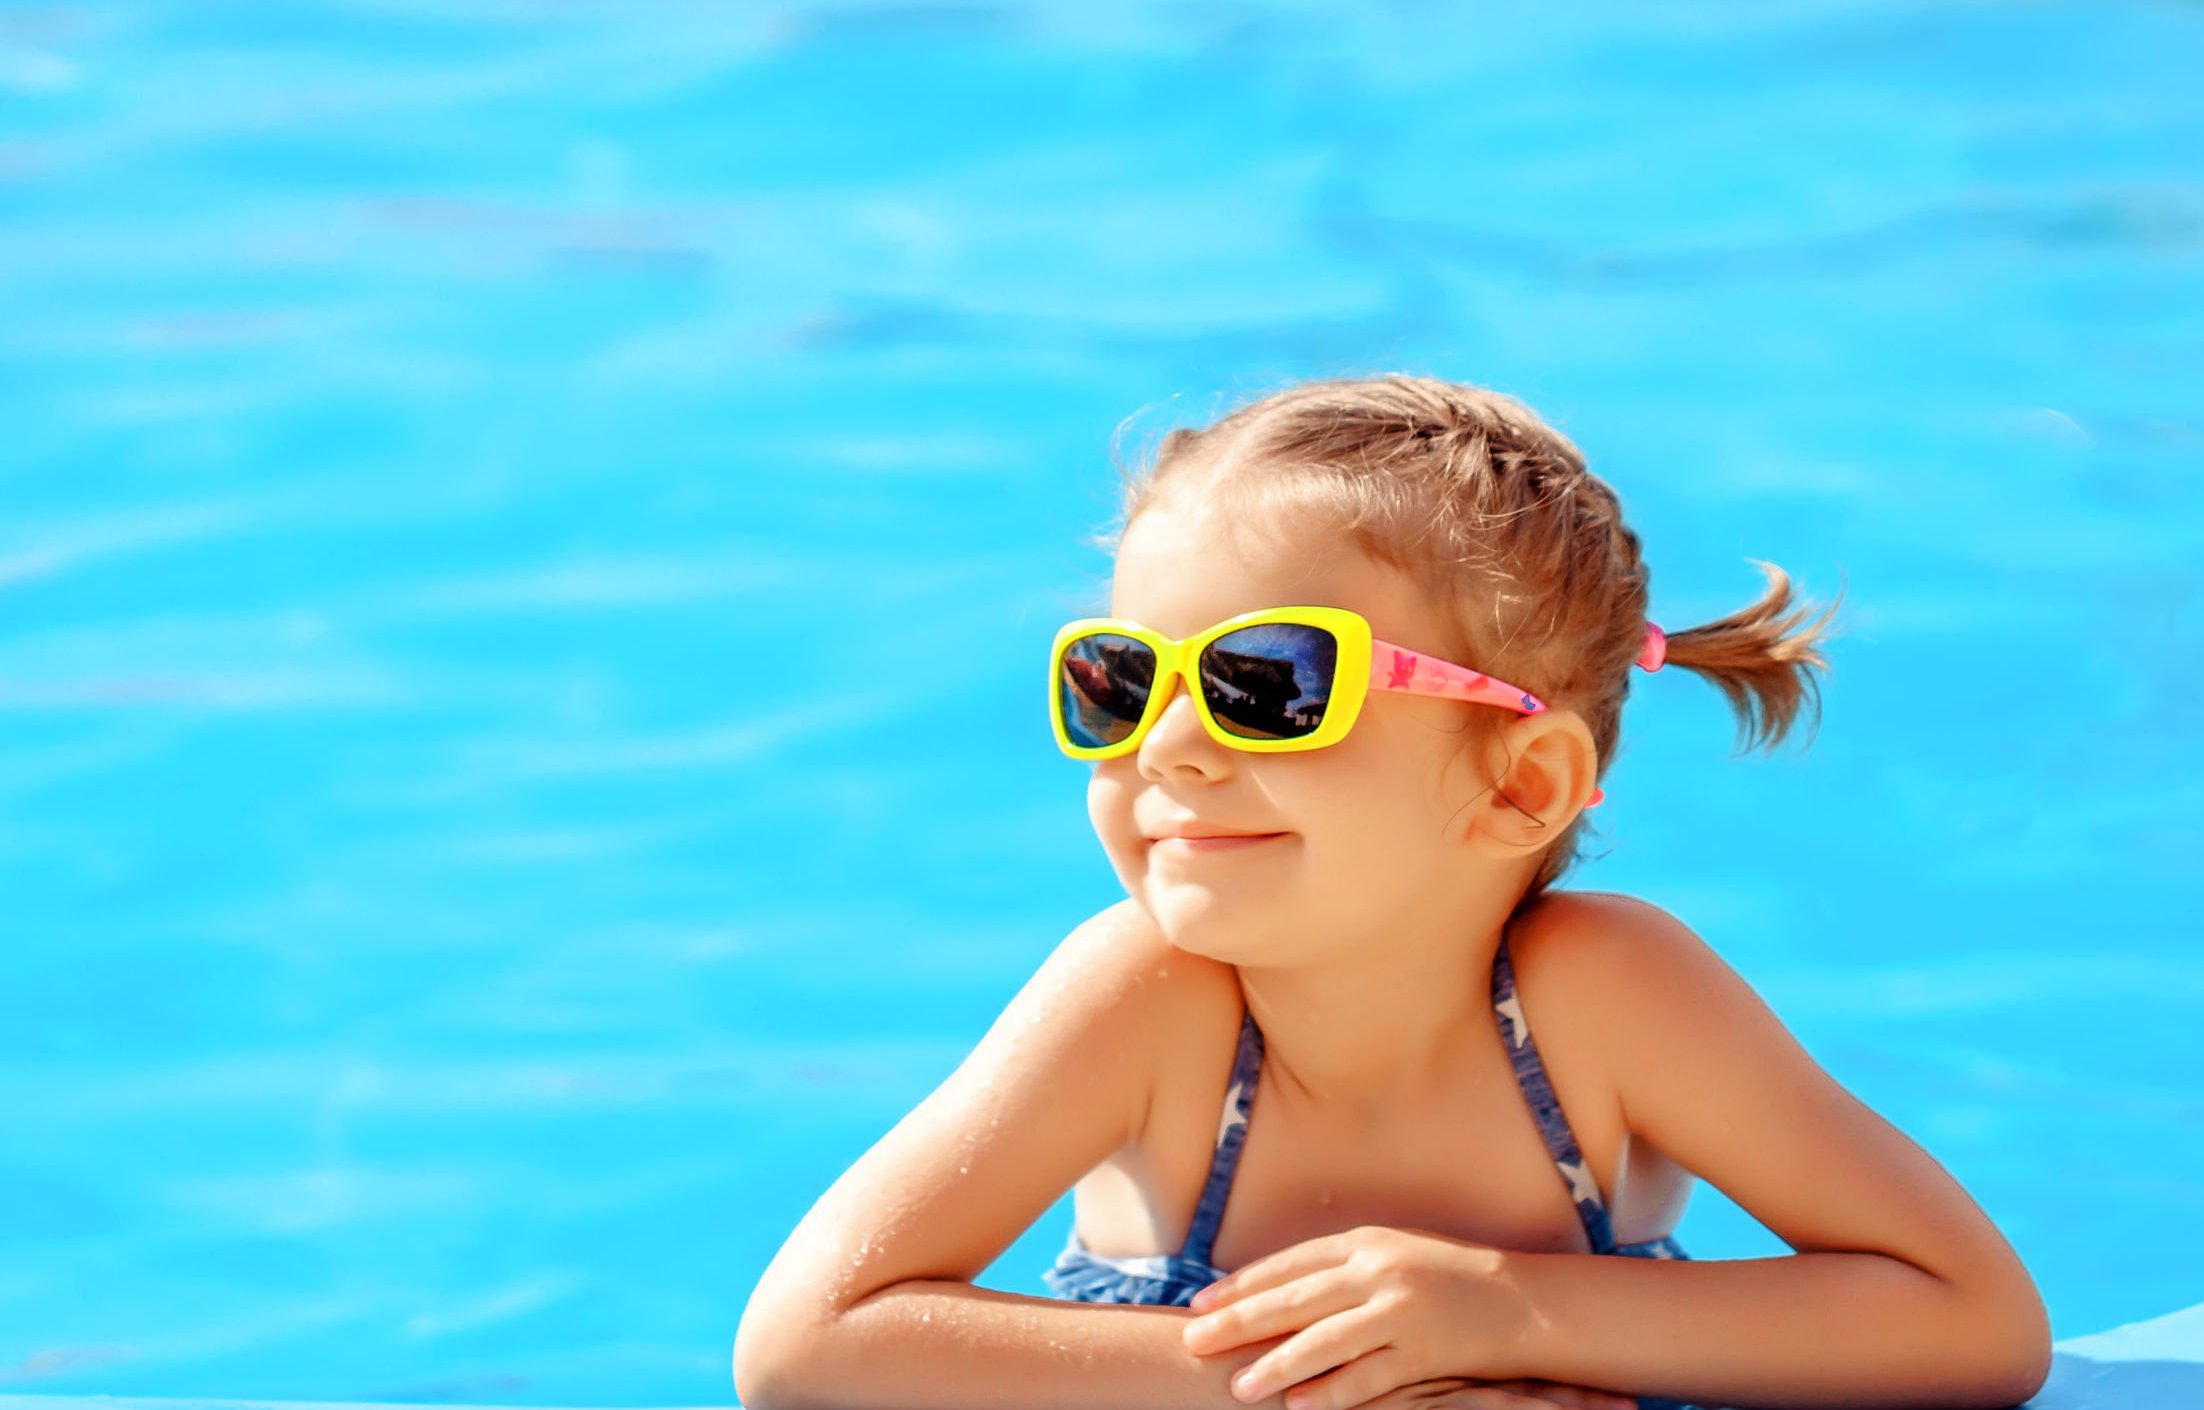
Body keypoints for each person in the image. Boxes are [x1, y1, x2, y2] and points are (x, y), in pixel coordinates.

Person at [733, 374, 2051, 1410]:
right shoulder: (1147, 996)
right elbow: (811, 1341)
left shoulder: (1610, 998)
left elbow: (1973, 1316)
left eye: (1265, 686)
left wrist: (1506, 1310)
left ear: (1524, 785)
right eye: (1125, 682)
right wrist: (1331, 1383)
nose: (1171, 744)